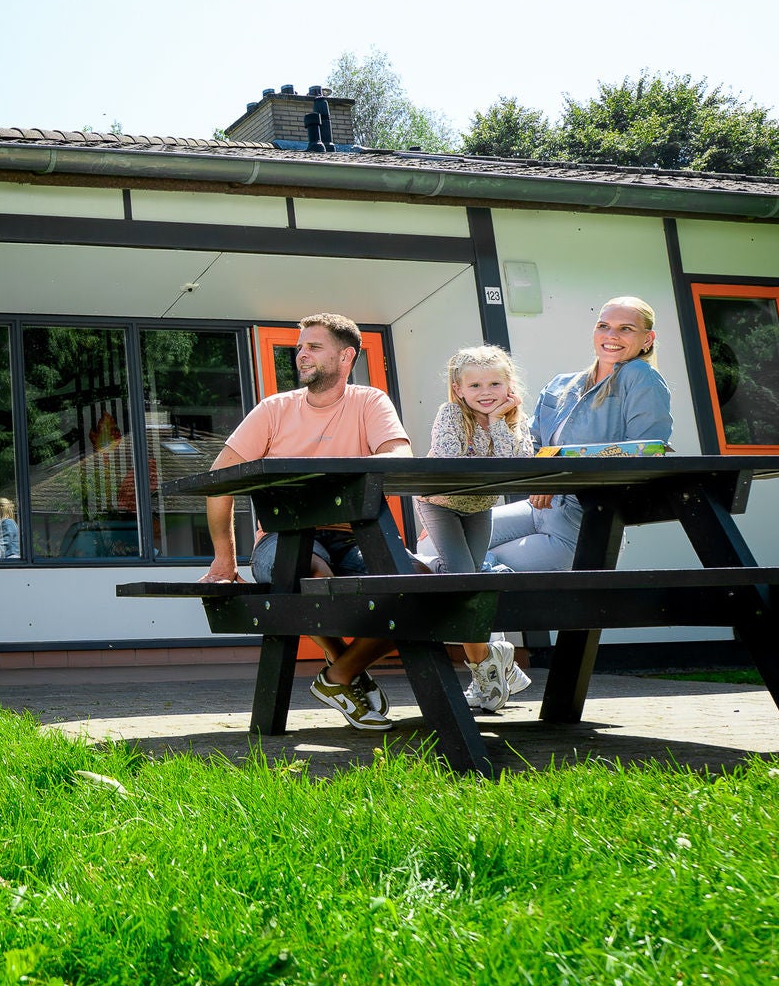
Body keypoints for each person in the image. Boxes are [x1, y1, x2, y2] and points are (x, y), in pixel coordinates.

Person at [199, 313, 411, 731]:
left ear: (346, 356)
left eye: (314, 346)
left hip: (355, 538)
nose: (301, 354)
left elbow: (399, 457)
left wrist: (331, 480)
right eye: (300, 347)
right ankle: (342, 666)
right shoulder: (274, 410)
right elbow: (217, 482)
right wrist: (225, 562)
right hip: (284, 539)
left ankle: (339, 676)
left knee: (420, 588)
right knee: (312, 577)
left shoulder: (369, 401)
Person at [483, 296, 673, 574]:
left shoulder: (640, 375)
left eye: (626, 329)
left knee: (470, 562)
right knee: (438, 541)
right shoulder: (561, 384)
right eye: (604, 325)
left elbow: (646, 452)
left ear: (648, 338)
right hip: (538, 508)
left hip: (582, 520)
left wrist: (559, 477)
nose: (611, 335)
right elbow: (532, 444)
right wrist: (499, 421)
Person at [415, 345, 533, 713]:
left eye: (495, 383)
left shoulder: (513, 420)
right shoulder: (450, 414)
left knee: (472, 583)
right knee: (462, 579)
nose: (486, 392)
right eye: (476, 384)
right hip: (440, 503)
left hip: (480, 507)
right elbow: (452, 463)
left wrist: (499, 420)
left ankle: (492, 667)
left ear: (509, 385)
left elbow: (519, 466)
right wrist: (492, 442)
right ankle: (488, 667)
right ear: (459, 390)